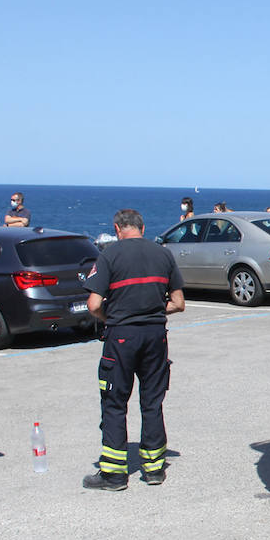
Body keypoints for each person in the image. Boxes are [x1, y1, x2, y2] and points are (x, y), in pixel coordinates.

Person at [81, 209, 185, 490]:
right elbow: (178, 302)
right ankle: (153, 469)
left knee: (115, 403)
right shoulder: (163, 254)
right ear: (143, 227)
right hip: (155, 336)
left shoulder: (109, 256)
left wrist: (113, 317)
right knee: (152, 401)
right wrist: (149, 312)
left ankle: (114, 474)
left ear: (117, 229)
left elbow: (93, 305)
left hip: (122, 337)